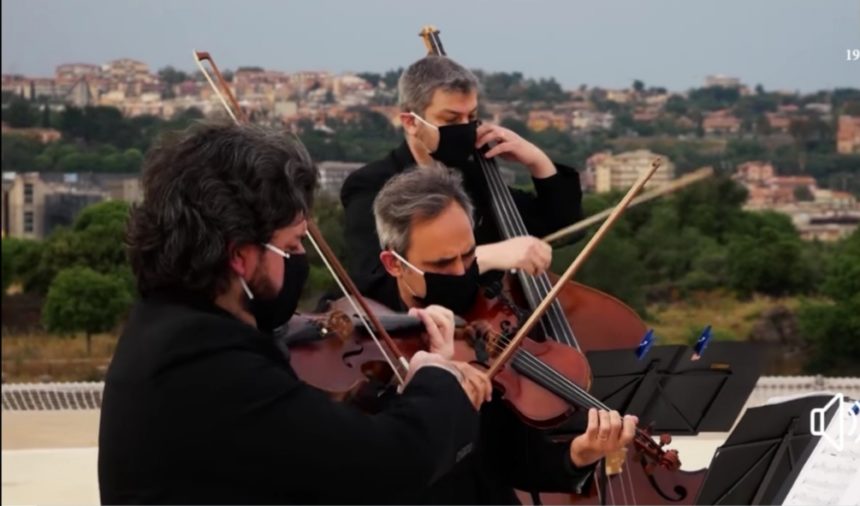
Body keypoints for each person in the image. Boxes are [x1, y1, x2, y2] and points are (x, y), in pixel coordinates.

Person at [97, 121, 492, 505]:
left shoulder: (166, 325)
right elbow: (386, 466)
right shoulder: (209, 361)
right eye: (293, 244)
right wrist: (436, 377)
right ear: (239, 256)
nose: (301, 257)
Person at [368, 166, 637, 504]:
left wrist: (577, 456)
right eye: (441, 264)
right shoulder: (367, 334)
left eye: (468, 256)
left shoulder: (487, 314)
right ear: (394, 264)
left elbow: (511, 458)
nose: (460, 273)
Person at [341, 55, 584, 310]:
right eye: (450, 120)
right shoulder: (370, 184)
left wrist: (537, 160)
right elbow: (373, 283)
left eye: (471, 117)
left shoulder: (473, 175)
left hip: (494, 326)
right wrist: (487, 257)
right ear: (411, 122)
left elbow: (564, 226)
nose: (465, 128)